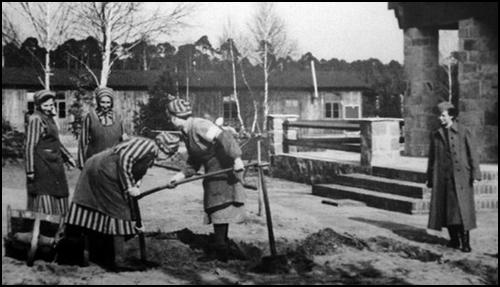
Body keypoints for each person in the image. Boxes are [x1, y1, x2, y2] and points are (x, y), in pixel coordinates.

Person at [64, 132, 180, 270]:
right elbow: (125, 159)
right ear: (162, 147)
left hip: (102, 168)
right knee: (120, 210)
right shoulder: (148, 145)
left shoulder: (151, 153)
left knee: (113, 208)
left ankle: (94, 252)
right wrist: (129, 187)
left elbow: (138, 170)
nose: (167, 157)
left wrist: (136, 185)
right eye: (168, 153)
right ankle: (120, 259)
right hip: (104, 169)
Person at [166, 98, 246, 262]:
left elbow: (224, 136)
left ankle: (221, 250)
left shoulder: (199, 125)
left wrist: (237, 159)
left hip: (225, 169)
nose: (170, 120)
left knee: (219, 207)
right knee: (216, 207)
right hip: (212, 172)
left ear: (174, 117)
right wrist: (179, 177)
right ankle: (221, 247)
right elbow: (194, 161)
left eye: (170, 117)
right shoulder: (186, 133)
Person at [426, 101, 481, 253]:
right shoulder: (436, 134)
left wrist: (476, 174)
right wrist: (430, 178)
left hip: (462, 178)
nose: (440, 118)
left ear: (451, 115)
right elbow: (432, 159)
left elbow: (473, 154)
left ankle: (465, 242)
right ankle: (454, 240)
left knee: (462, 209)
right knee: (447, 210)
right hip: (444, 178)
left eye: (443, 115)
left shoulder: (464, 131)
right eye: (439, 115)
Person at [25, 90, 76, 215]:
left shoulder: (50, 119)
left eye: (51, 105)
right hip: (42, 164)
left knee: (60, 192)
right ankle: (45, 228)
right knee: (45, 194)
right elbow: (30, 145)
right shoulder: (36, 119)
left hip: (55, 162)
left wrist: (68, 157)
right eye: (45, 105)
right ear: (38, 105)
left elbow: (56, 142)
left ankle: (60, 227)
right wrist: (30, 170)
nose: (48, 108)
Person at [77, 87, 127, 169]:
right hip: (95, 162)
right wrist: (82, 163)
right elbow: (83, 142)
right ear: (98, 102)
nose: (105, 106)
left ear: (111, 103)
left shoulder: (118, 117)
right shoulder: (90, 117)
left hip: (113, 162)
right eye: (102, 102)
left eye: (108, 102)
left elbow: (124, 140)